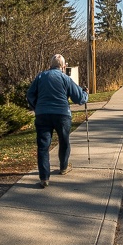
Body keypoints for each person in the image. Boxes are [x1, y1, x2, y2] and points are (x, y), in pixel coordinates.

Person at [27, 54, 89, 188]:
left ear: (50, 65)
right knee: (64, 141)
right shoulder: (66, 78)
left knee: (43, 146)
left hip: (42, 114)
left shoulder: (40, 76)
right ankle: (63, 167)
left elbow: (30, 94)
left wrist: (36, 106)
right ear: (64, 66)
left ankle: (44, 178)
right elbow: (79, 98)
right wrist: (86, 94)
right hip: (62, 114)